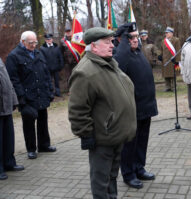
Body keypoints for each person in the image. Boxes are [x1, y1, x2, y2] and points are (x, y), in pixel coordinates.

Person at [68, 27, 137, 199]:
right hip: (102, 139)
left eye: (112, 41)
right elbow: (77, 110)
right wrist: (86, 135)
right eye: (107, 42)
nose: (112, 45)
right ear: (94, 46)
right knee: (101, 182)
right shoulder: (85, 72)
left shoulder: (109, 63)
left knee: (112, 177)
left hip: (115, 135)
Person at [114, 22, 158, 189]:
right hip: (131, 110)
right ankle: (128, 174)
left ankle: (139, 168)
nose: (135, 40)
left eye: (137, 37)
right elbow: (120, 66)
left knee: (142, 141)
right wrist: (124, 42)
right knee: (129, 144)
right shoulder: (120, 55)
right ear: (122, 39)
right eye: (130, 37)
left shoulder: (138, 52)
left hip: (145, 107)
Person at [6, 31, 56, 160]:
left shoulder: (38, 53)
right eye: (31, 43)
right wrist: (21, 97)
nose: (34, 45)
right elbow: (13, 79)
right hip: (27, 96)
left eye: (35, 42)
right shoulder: (14, 56)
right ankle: (31, 149)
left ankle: (44, 145)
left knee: (43, 121)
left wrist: (50, 90)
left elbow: (46, 73)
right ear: (23, 42)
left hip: (41, 93)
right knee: (28, 124)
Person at [0, 58, 24, 180]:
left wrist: (14, 100)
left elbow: (8, 82)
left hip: (6, 106)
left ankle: (9, 163)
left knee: (8, 137)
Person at [158, 26, 181, 92]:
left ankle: (174, 87)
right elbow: (161, 50)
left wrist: (177, 60)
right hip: (165, 60)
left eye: (167, 33)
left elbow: (178, 51)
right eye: (166, 33)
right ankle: (167, 87)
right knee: (166, 75)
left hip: (173, 61)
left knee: (174, 74)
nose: (166, 34)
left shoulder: (176, 40)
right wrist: (160, 56)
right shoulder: (163, 41)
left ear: (171, 33)